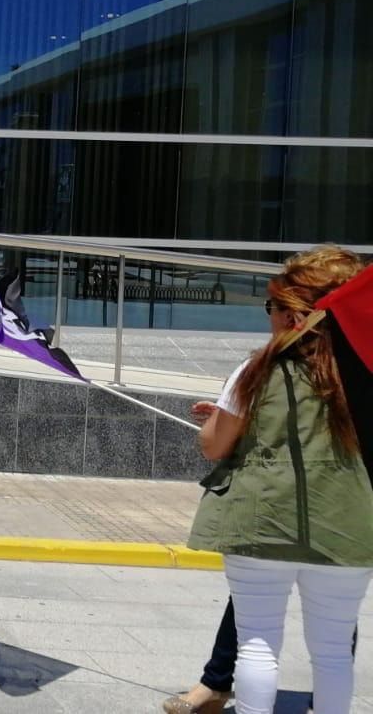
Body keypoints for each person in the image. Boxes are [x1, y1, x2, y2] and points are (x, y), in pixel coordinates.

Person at [166, 248, 373, 714]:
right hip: (347, 522)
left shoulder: (258, 369)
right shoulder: (364, 374)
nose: (270, 317)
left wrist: (217, 419)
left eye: (274, 306)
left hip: (259, 521)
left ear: (294, 313)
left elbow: (214, 446)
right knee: (335, 651)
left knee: (257, 644)